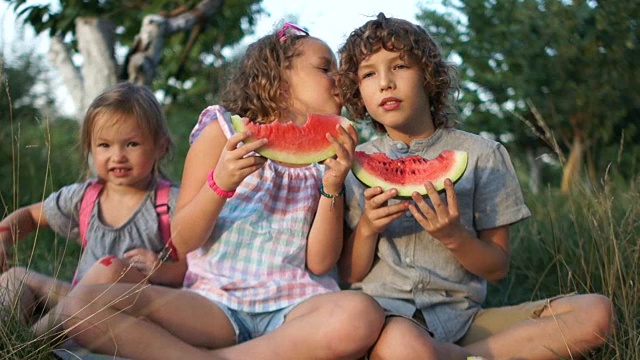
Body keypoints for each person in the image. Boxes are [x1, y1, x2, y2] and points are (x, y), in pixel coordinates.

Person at [54, 22, 384, 359]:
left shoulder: (331, 158)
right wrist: (221, 183)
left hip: (295, 307)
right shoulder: (222, 131)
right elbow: (183, 241)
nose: (339, 79)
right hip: (213, 304)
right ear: (279, 78)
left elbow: (320, 262)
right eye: (325, 67)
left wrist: (332, 188)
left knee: (361, 313)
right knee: (80, 304)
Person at [337, 13, 613, 359]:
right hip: (386, 320)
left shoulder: (483, 155)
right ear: (358, 91)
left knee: (596, 312)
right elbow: (348, 274)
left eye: (400, 66)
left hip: (464, 321)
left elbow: (496, 267)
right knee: (405, 345)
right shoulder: (354, 164)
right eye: (368, 74)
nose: (385, 83)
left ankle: (450, 355)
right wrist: (367, 228)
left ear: (428, 75)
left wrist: (454, 236)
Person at [0, 82, 184, 338]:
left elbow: (193, 271)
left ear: (160, 146)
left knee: (108, 270)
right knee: (14, 279)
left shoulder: (171, 203)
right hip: (75, 301)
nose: (117, 156)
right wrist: (4, 236)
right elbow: (30, 216)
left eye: (131, 144)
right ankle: (6, 337)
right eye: (104, 145)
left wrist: (160, 270)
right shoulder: (85, 197)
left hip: (135, 318)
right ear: (90, 147)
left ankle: (31, 344)